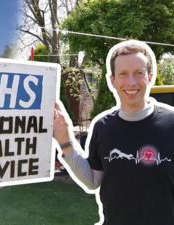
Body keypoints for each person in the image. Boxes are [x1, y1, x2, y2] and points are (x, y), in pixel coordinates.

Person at [53, 40, 174, 225]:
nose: (131, 82)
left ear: (149, 76)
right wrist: (66, 141)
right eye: (123, 74)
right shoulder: (103, 127)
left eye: (138, 73)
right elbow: (92, 181)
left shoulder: (171, 123)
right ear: (112, 80)